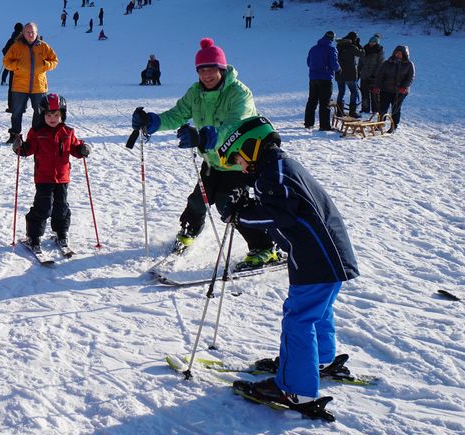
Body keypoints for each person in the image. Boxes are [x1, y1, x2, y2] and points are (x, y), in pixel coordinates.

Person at [217, 116, 358, 415]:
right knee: (316, 313)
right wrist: (248, 201)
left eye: (239, 159)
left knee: (299, 319)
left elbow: (279, 216)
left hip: (315, 259)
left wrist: (238, 216)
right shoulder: (280, 168)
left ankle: (296, 390)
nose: (240, 166)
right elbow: (284, 207)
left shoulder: (274, 174)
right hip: (330, 256)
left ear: (252, 147)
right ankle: (317, 360)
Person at [130, 38, 276, 267]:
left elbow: (234, 127)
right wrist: (153, 121)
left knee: (228, 205)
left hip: (238, 162)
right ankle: (189, 231)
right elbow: (177, 114)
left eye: (212, 70)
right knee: (199, 200)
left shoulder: (239, 93)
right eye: (202, 70)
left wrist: (206, 137)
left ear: (222, 69)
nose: (207, 75)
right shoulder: (195, 92)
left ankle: (266, 247)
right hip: (211, 161)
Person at [12, 94, 90, 252]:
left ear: (63, 115)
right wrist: (20, 147)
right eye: (48, 115)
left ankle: (61, 233)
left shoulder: (68, 132)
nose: (52, 118)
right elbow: (29, 149)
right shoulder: (36, 132)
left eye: (56, 115)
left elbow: (75, 148)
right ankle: (33, 236)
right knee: (43, 208)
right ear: (42, 115)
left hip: (62, 177)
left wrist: (82, 149)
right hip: (43, 177)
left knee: (61, 207)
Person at [2, 22, 59, 144]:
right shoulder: (16, 46)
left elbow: (54, 60)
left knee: (39, 112)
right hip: (19, 87)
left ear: (37, 33)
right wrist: (17, 65)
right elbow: (6, 62)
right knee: (16, 112)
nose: (30, 34)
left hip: (38, 86)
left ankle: (36, 135)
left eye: (32, 32)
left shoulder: (43, 46)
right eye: (27, 32)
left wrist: (46, 65)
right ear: (23, 33)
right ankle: (15, 135)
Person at [374, 45, 415, 133]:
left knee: (395, 109)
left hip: (400, 91)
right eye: (397, 52)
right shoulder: (387, 63)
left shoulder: (409, 64)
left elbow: (410, 78)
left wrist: (404, 87)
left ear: (405, 54)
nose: (398, 54)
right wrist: (377, 86)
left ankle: (394, 126)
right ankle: (380, 124)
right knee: (383, 108)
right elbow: (380, 76)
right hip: (386, 89)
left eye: (400, 53)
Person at [304, 31, 339, 131]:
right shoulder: (331, 49)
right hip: (326, 78)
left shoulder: (313, 48)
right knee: (324, 102)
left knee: (312, 100)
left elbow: (308, 62)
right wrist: (338, 69)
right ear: (332, 39)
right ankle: (324, 125)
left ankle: (308, 123)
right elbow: (334, 64)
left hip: (313, 78)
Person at [335, 32, 363, 117]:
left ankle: (339, 112)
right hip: (350, 74)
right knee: (354, 92)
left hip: (339, 73)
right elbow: (362, 54)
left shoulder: (339, 46)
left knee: (341, 92)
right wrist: (358, 45)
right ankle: (352, 112)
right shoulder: (352, 47)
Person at [358, 34, 384, 114]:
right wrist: (358, 72)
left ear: (377, 43)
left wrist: (375, 75)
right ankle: (365, 109)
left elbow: (380, 64)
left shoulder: (379, 51)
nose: (371, 43)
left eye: (373, 42)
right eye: (370, 41)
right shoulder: (364, 49)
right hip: (364, 75)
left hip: (374, 77)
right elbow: (360, 62)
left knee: (374, 95)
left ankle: (375, 110)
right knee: (364, 94)